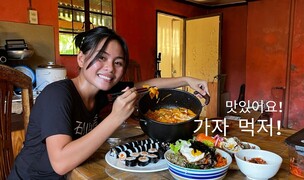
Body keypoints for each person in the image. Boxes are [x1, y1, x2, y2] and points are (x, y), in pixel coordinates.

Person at [8, 26, 209, 179]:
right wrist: (115, 117)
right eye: (100, 58)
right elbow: (60, 163)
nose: (110, 68)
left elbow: (149, 84)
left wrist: (186, 80)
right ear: (81, 58)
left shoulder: (102, 91)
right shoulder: (58, 95)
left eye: (118, 62)